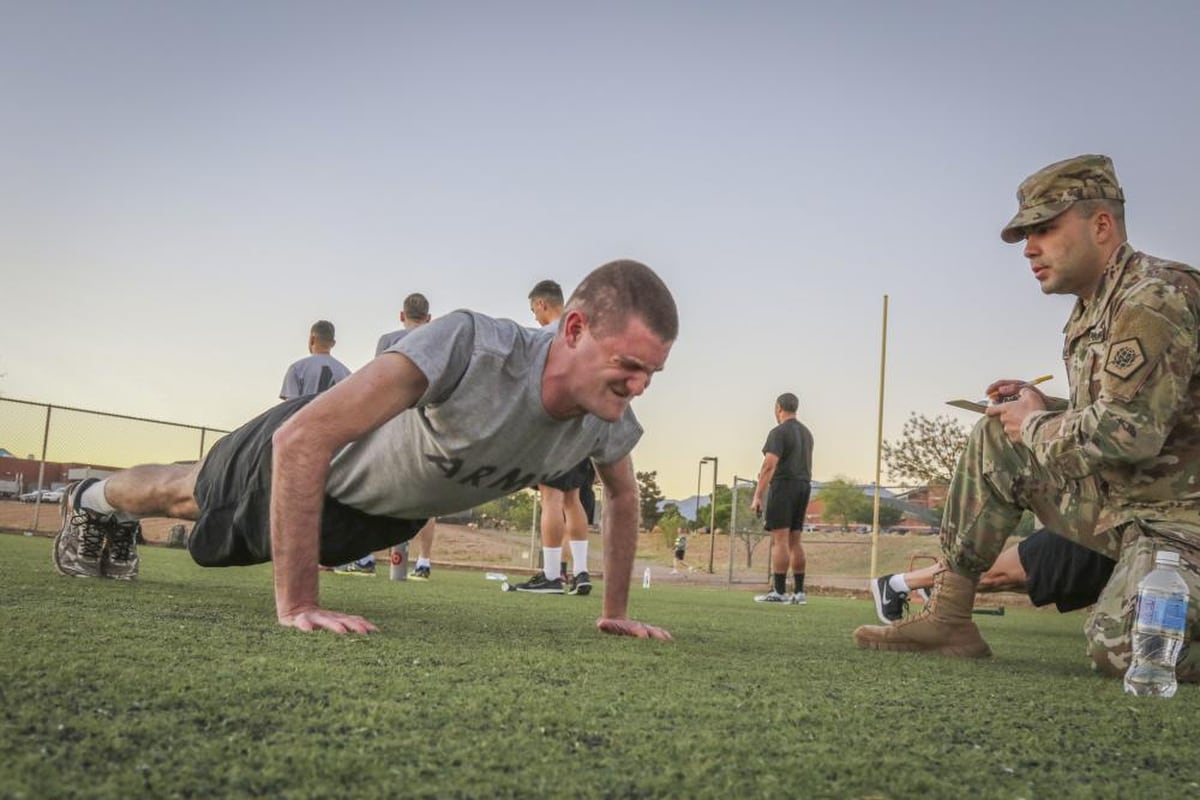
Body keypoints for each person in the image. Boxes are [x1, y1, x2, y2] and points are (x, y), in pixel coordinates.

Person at [52, 259, 678, 640]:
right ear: (572, 328)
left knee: (193, 505)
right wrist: (299, 604)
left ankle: (108, 512)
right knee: (185, 492)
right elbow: (302, 437)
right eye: (628, 365)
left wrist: (614, 610)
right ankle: (89, 500)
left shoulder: (607, 416)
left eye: (652, 374)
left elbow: (622, 499)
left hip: (374, 514)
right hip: (303, 455)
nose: (639, 386)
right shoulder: (474, 346)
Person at [854, 155, 1200, 683]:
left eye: (1045, 229)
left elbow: (1128, 435)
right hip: (1130, 507)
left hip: (1181, 523)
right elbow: (1123, 418)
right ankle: (949, 618)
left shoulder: (1153, 297)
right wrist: (1033, 408)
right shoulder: (1090, 310)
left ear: (1101, 225)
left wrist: (1036, 424)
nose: (1030, 248)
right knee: (998, 431)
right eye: (1025, 235)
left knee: (1129, 654)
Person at [513, 279, 596, 596]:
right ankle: (581, 571)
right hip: (584, 426)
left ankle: (550, 575)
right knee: (573, 499)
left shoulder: (546, 336)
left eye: (533, 308)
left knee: (551, 497)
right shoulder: (585, 335)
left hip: (555, 424)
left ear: (540, 304)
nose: (534, 315)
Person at [869, 527, 1116, 624]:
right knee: (1000, 576)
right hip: (1101, 530)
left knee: (1036, 585)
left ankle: (936, 589)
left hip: (1132, 541)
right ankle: (896, 584)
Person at [375, 292, 437, 580]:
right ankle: (423, 562)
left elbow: (375, 382)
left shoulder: (388, 340)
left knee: (378, 491)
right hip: (426, 427)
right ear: (429, 318)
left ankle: (365, 557)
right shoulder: (438, 342)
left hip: (391, 423)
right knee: (426, 497)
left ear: (402, 315)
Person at [750, 393, 814, 605]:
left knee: (780, 540)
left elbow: (769, 464)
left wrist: (758, 495)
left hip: (784, 486)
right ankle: (799, 592)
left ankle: (778, 591)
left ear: (778, 408)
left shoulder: (778, 432)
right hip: (804, 486)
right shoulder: (807, 433)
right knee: (795, 540)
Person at [279, 320, 351, 401]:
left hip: (307, 413)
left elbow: (291, 406)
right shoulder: (347, 374)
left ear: (312, 339)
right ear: (333, 343)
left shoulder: (296, 368)